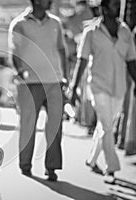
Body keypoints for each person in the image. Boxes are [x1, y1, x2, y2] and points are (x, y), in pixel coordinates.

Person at [70, 0, 136, 183]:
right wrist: (74, 88)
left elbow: (131, 60)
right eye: (115, 5)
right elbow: (82, 60)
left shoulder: (125, 32)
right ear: (104, 9)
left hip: (119, 87)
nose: (119, 8)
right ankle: (112, 168)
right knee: (107, 126)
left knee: (105, 126)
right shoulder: (91, 32)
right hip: (98, 86)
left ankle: (91, 159)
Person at [8, 0, 68, 181]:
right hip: (30, 83)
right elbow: (14, 52)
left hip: (55, 81)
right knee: (28, 126)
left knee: (55, 126)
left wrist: (66, 78)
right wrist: (20, 73)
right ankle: (25, 164)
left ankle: (52, 167)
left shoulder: (55, 23)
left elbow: (62, 50)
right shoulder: (19, 23)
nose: (49, 1)